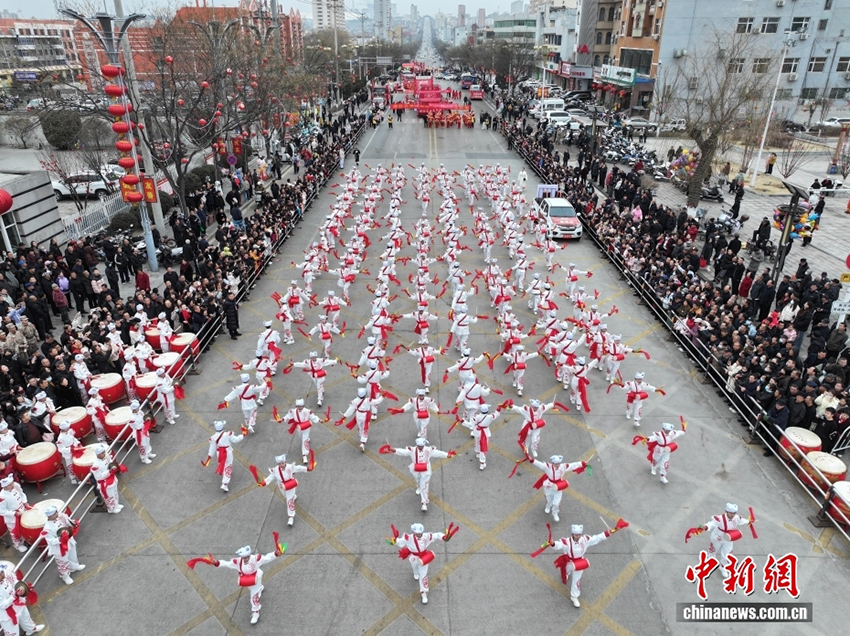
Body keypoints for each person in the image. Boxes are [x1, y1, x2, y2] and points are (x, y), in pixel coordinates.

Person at [548, 521, 628, 607]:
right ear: (572, 534)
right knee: (566, 570)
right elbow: (559, 545)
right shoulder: (567, 542)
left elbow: (596, 538)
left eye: (579, 534)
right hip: (569, 561)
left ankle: (574, 596)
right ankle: (567, 573)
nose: (578, 536)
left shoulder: (585, 539)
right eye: (576, 534)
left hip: (579, 562)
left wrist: (607, 533)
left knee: (576, 580)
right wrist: (553, 543)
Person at [211, 544, 284, 624]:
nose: (246, 559)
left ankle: (256, 613)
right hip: (247, 581)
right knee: (253, 589)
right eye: (244, 558)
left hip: (256, 578)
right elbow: (227, 564)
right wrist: (216, 562)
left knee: (253, 598)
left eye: (247, 557)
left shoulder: (256, 559)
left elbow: (267, 558)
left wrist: (276, 554)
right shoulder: (237, 562)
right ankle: (259, 589)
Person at [389, 522, 458, 604]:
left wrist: (444, 536)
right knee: (415, 569)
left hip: (424, 558)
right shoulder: (408, 538)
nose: (418, 535)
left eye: (420, 533)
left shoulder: (427, 536)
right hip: (414, 557)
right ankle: (415, 573)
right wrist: (394, 540)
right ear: (414, 532)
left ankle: (423, 592)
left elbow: (437, 535)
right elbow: (400, 541)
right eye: (416, 533)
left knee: (423, 575)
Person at [381, 438, 456, 511]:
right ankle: (419, 487)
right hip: (416, 470)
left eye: (421, 446)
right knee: (418, 481)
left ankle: (424, 503)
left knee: (424, 486)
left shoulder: (428, 450)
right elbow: (403, 452)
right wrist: (394, 450)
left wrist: (447, 455)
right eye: (419, 446)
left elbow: (438, 453)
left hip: (426, 471)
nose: (420, 447)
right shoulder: (412, 450)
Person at [688, 502, 752, 573]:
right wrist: (706, 526)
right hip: (717, 536)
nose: (732, 515)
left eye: (734, 513)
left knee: (727, 554)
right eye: (730, 513)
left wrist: (749, 521)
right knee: (713, 550)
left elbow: (743, 521)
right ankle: (710, 562)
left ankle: (723, 567)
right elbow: (712, 523)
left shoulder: (737, 518)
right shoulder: (719, 518)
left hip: (729, 537)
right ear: (726, 511)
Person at [527, 455, 589, 522]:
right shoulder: (548, 467)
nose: (557, 465)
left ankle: (555, 513)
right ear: (553, 463)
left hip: (559, 486)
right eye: (556, 464)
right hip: (549, 486)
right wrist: (532, 460)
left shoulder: (563, 466)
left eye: (558, 463)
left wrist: (581, 463)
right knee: (549, 499)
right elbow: (540, 465)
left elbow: (572, 465)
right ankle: (548, 506)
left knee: (557, 503)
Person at [259, 453, 312, 526]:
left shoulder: (290, 467)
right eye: (280, 463)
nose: (281, 465)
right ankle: (293, 497)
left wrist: (307, 469)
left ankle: (291, 517)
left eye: (282, 463)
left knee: (289, 501)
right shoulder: (275, 470)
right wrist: (264, 482)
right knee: (286, 496)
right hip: (282, 486)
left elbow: (298, 468)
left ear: (285, 462)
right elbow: (271, 477)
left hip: (291, 484)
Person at [39, 504, 85, 585]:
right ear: (49, 516)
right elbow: (50, 541)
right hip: (59, 547)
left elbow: (68, 522)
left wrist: (72, 522)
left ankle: (74, 566)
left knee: (73, 554)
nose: (57, 514)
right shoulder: (47, 528)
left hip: (69, 541)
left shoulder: (60, 517)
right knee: (62, 562)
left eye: (56, 512)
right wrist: (61, 539)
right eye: (54, 514)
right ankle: (65, 576)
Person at [203, 420, 244, 492]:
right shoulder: (227, 434)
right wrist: (242, 435)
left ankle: (225, 477)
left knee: (224, 464)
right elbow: (236, 440)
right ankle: (225, 484)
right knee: (228, 465)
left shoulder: (213, 437)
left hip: (219, 452)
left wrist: (209, 457)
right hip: (227, 452)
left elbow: (212, 448)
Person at [281, 399, 319, 464]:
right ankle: (307, 439)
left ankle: (304, 455)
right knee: (301, 437)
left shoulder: (307, 411)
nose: (299, 407)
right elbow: (288, 416)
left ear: (303, 406)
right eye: (298, 406)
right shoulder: (293, 411)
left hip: (306, 427)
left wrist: (320, 420)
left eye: (300, 406)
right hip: (299, 427)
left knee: (304, 440)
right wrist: (282, 419)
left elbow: (313, 417)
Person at [91, 444, 123, 513]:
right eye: (102, 453)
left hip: (111, 478)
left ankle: (116, 504)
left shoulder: (106, 457)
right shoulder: (95, 465)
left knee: (115, 493)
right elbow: (98, 477)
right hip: (105, 482)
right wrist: (109, 471)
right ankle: (111, 509)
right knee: (109, 495)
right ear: (98, 455)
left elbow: (110, 463)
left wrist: (113, 466)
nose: (104, 454)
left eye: (104, 452)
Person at [0, 475, 28, 552]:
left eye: (12, 483)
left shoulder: (15, 486)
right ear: (4, 487)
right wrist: (14, 513)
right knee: (14, 532)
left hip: (22, 510)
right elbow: (2, 511)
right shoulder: (2, 497)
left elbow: (22, 494)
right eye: (9, 485)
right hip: (12, 517)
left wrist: (25, 502)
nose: (12, 485)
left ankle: (25, 538)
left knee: (24, 526)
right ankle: (18, 545)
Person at [128, 400, 155, 464]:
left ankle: (149, 453)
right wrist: (145, 422)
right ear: (134, 409)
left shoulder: (139, 412)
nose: (138, 409)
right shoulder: (132, 419)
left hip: (144, 430)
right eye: (137, 408)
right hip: (139, 433)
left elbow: (144, 417)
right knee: (142, 445)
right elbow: (138, 427)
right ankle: (144, 458)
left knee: (147, 441)